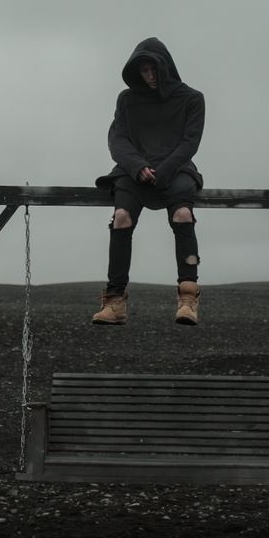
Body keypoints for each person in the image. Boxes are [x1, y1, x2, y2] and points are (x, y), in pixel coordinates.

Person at [93, 37, 205, 325]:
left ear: (165, 67)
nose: (150, 76)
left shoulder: (191, 98)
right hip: (134, 171)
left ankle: (188, 299)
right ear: (136, 72)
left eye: (154, 69)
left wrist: (164, 170)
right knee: (121, 217)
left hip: (177, 169)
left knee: (182, 214)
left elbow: (189, 142)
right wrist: (138, 167)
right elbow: (117, 138)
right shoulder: (127, 100)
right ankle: (115, 303)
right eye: (144, 71)